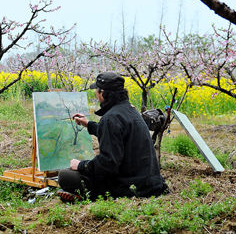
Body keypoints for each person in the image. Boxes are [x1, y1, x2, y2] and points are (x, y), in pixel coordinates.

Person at [57, 72, 168, 203]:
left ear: (102, 92)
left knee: (66, 175)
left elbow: (108, 164)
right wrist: (88, 124)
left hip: (130, 186)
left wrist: (81, 165)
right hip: (150, 183)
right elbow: (116, 135)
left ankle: (86, 196)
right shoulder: (130, 110)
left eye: (96, 90)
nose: (95, 94)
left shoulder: (110, 118)